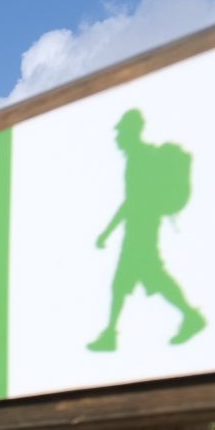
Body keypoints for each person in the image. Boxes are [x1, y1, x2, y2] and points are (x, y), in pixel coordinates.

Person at [89, 108, 205, 351]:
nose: (117, 137)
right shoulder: (136, 159)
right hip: (139, 228)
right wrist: (107, 232)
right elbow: (130, 202)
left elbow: (131, 202)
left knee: (142, 279)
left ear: (132, 132)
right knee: (132, 282)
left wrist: (106, 233)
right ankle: (111, 334)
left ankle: (190, 317)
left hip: (140, 230)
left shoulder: (139, 160)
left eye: (121, 132)